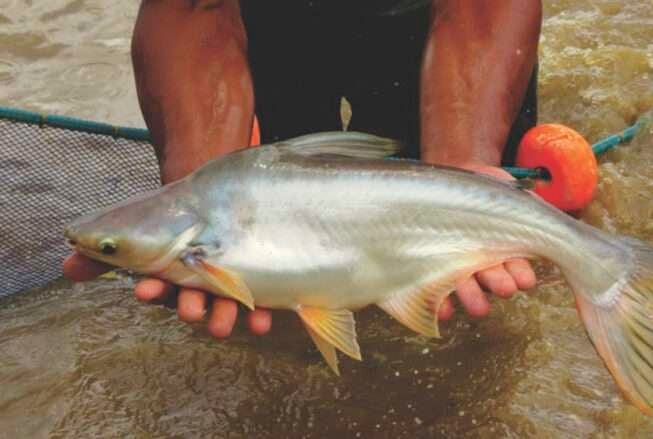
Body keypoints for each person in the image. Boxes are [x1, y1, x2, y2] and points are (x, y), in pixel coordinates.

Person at [63, 0, 542, 339]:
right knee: (281, 300)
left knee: (476, 294)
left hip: (429, 10)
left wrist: (461, 167)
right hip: (273, 15)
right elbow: (192, 6)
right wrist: (207, 182)